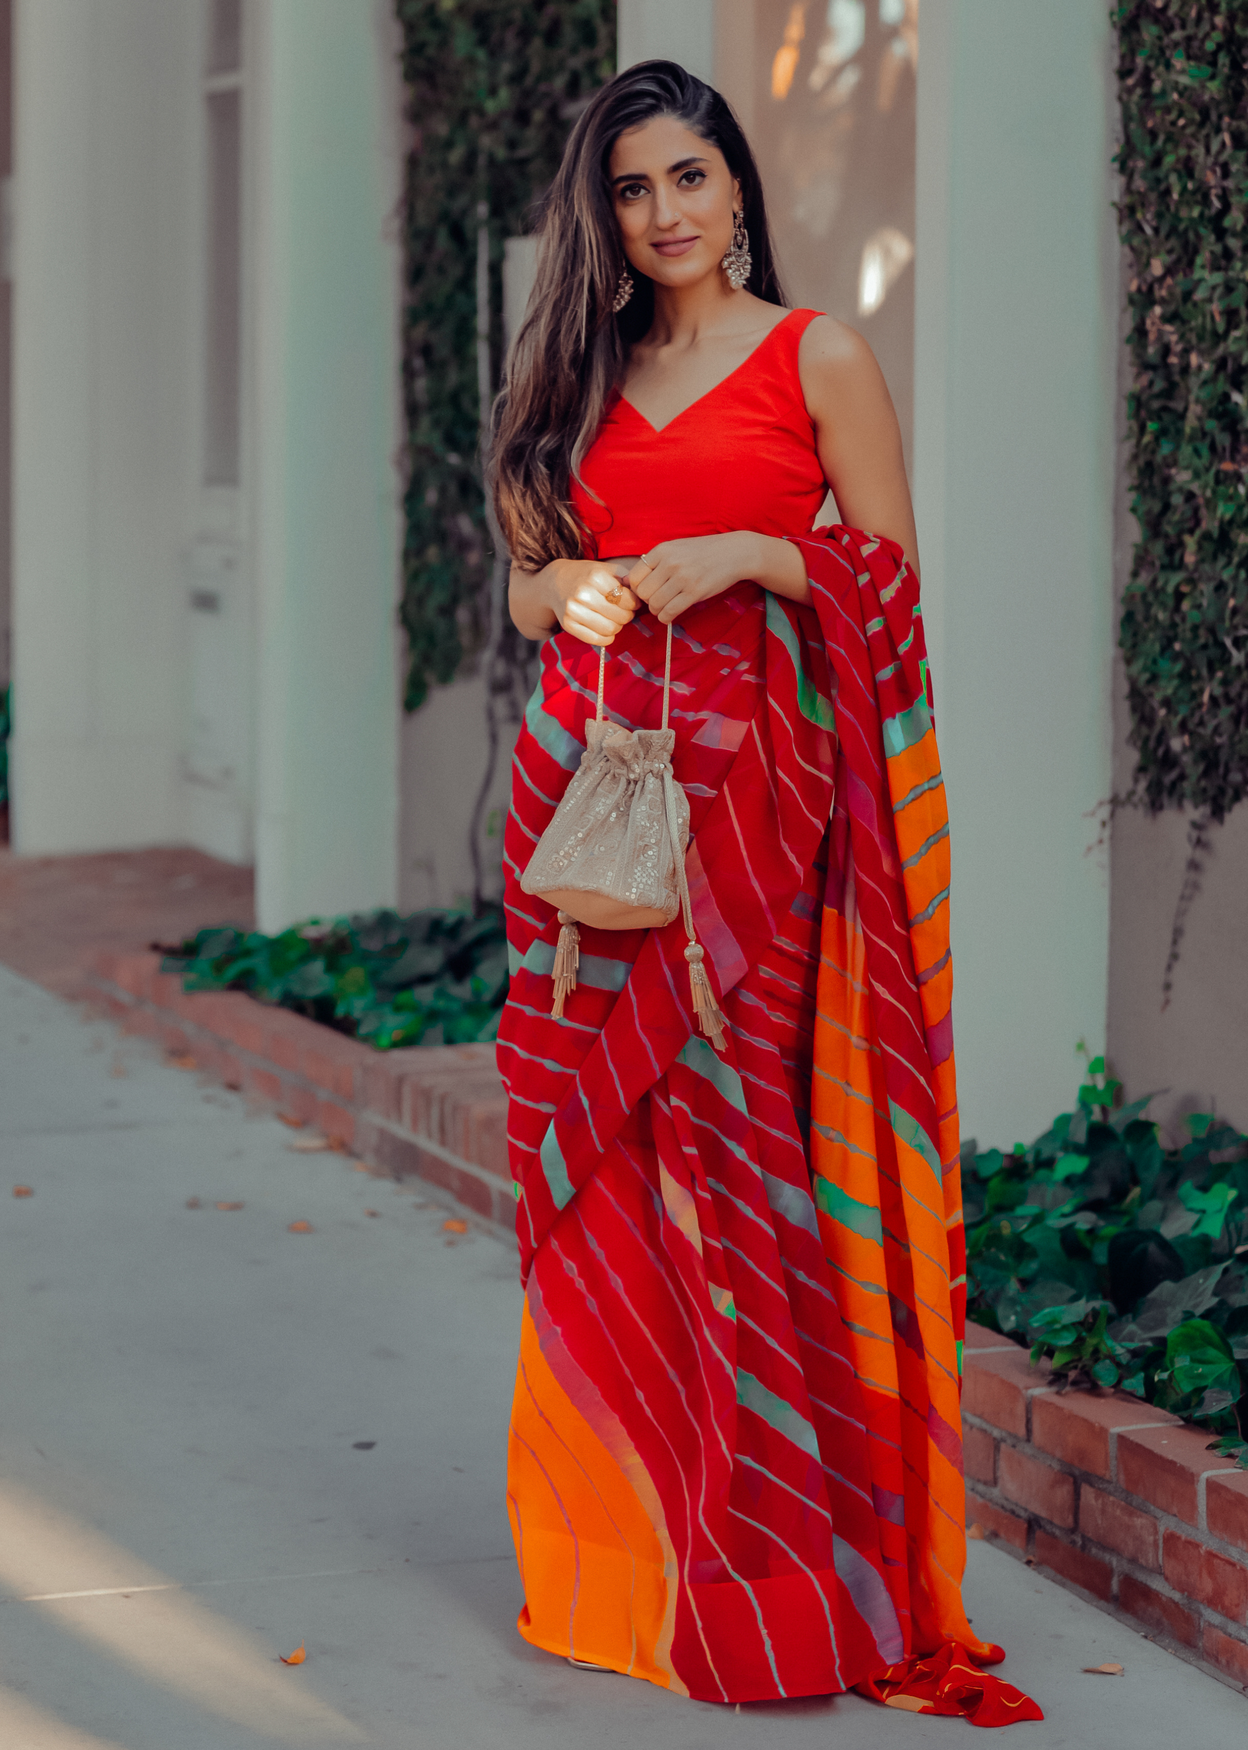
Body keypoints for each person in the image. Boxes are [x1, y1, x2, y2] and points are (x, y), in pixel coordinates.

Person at [488, 61, 1040, 1728]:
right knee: (599, 1188)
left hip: (760, 829)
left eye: (689, 177)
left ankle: (777, 1572)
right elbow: (521, 588)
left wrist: (748, 556)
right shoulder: (581, 377)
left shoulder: (819, 357)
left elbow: (889, 575)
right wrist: (565, 588)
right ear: (604, 214)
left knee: (744, 1181)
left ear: (738, 182)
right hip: (593, 827)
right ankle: (610, 1563)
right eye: (632, 190)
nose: (663, 215)